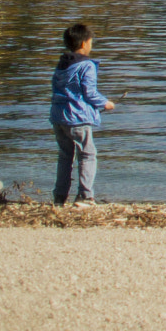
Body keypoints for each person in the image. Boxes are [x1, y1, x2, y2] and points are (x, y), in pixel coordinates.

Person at [50, 22, 115, 206]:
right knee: (87, 155)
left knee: (65, 156)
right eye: (91, 41)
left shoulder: (62, 63)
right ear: (84, 44)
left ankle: (59, 197)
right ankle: (85, 196)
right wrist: (106, 103)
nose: (91, 45)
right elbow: (90, 93)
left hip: (58, 117)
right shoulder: (87, 65)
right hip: (77, 118)